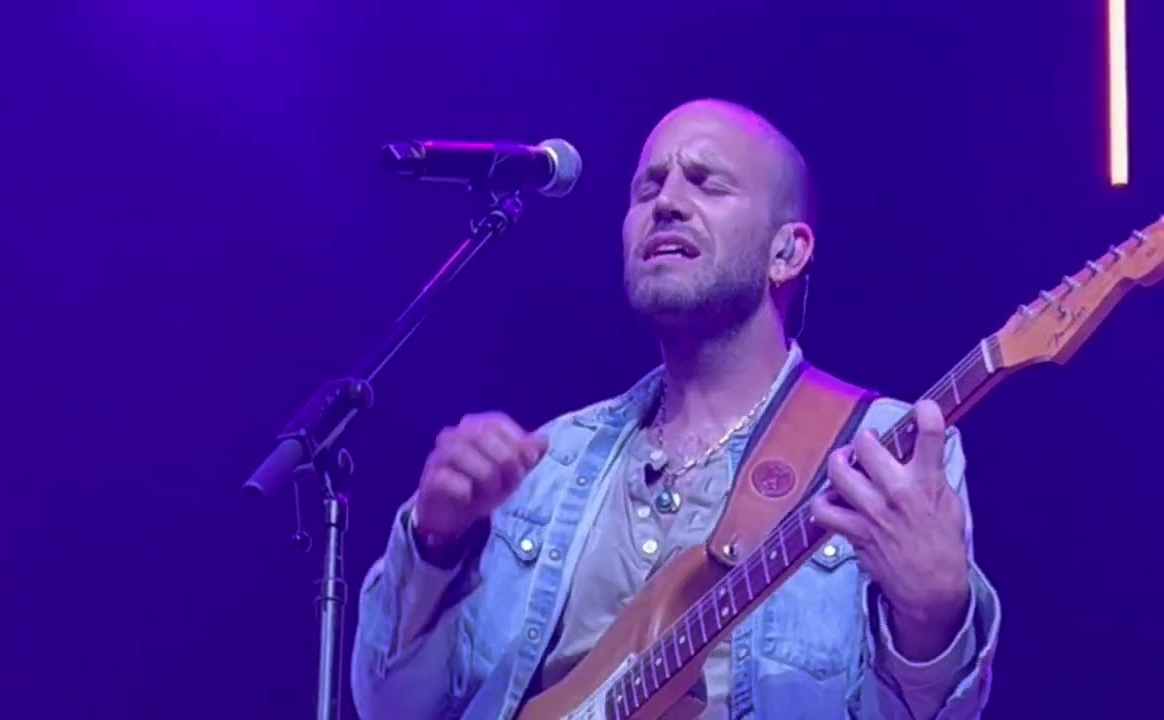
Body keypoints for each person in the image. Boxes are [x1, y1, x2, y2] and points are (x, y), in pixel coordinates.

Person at [350, 99, 1000, 719]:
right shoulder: (546, 462)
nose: (667, 202)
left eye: (706, 184)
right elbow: (391, 711)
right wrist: (434, 545)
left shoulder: (887, 454)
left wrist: (935, 615)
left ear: (787, 252)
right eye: (647, 187)